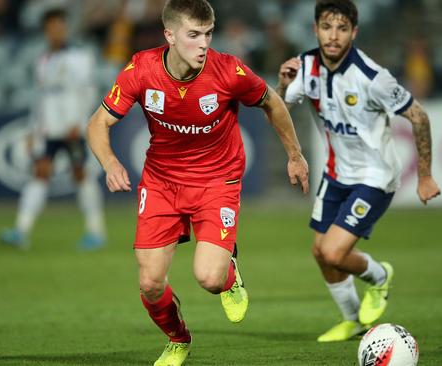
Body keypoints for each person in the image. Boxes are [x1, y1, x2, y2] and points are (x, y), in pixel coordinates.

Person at [86, 0, 309, 365]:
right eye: (193, 35)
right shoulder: (141, 69)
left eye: (208, 34)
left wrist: (295, 155)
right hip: (161, 182)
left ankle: (228, 271)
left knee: (208, 278)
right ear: (169, 35)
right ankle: (178, 339)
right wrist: (110, 162)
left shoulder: (228, 71)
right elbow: (97, 123)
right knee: (150, 283)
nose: (204, 44)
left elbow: (272, 103)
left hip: (217, 180)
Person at [276, 0, 441, 342]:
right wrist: (281, 85)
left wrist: (425, 175)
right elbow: (280, 111)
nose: (333, 36)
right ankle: (353, 320)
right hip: (336, 174)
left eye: (342, 28)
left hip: (374, 177)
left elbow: (419, 116)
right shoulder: (305, 66)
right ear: (315, 29)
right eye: (326, 27)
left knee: (335, 252)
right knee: (320, 253)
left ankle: (380, 277)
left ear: (354, 32)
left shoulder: (372, 77)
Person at [0, 8, 106, 250]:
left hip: (71, 130)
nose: (56, 31)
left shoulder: (79, 57)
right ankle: (20, 230)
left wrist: (79, 124)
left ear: (65, 27)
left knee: (80, 175)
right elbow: (40, 98)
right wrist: (32, 129)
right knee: (40, 172)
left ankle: (96, 231)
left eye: (59, 25)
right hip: (48, 130)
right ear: (46, 30)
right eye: (51, 27)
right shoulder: (43, 60)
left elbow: (88, 92)